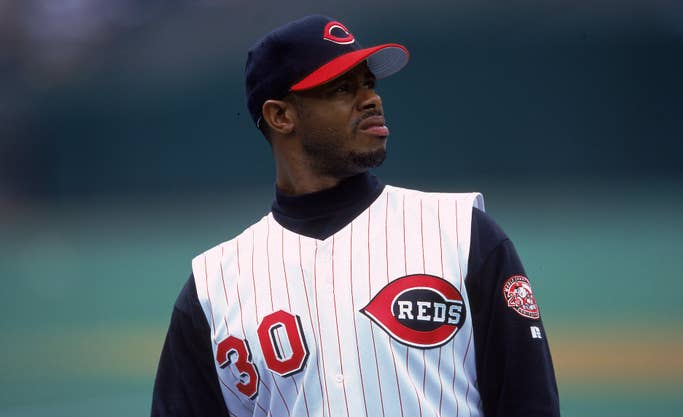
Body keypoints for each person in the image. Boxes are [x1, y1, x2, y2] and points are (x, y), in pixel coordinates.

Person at [151, 14, 560, 417]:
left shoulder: (463, 234)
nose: (371, 99)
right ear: (281, 116)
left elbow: (529, 403)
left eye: (369, 83)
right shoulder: (214, 287)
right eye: (342, 88)